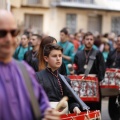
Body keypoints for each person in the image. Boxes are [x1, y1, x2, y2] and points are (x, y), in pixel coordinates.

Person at [0, 10, 60, 120]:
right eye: (2, 33)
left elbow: (41, 103)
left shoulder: (25, 70)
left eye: (13, 33)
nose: (9, 39)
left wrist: (47, 112)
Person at [36, 43, 81, 114]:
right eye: (54, 56)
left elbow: (71, 100)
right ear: (46, 58)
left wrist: (75, 107)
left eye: (60, 56)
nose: (58, 58)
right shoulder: (37, 77)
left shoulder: (65, 79)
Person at [74, 32, 105, 111]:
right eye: (87, 39)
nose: (89, 41)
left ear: (93, 41)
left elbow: (102, 68)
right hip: (81, 84)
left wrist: (98, 78)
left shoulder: (98, 53)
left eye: (91, 39)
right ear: (83, 41)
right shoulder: (78, 54)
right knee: (82, 108)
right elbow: (75, 69)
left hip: (94, 85)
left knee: (94, 109)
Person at [106, 35, 120, 120]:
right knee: (112, 103)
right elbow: (107, 64)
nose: (119, 43)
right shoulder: (112, 52)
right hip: (112, 81)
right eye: (118, 41)